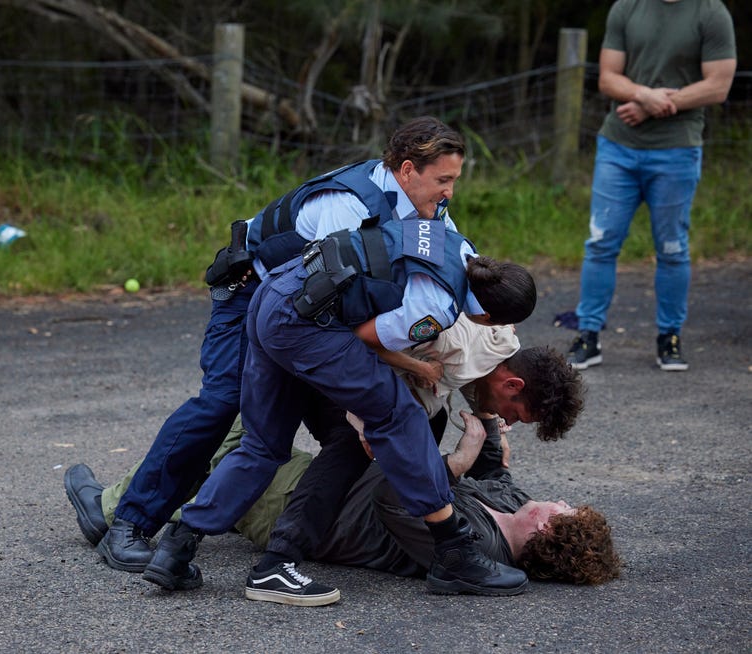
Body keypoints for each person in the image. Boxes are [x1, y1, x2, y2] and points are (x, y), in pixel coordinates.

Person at [68, 117, 469, 576]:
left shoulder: (426, 208)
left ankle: (123, 510)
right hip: (255, 296)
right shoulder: (347, 208)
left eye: (454, 180)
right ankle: (129, 523)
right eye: (443, 180)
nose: (450, 192)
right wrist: (399, 369)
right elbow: (332, 306)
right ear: (405, 170)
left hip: (303, 316)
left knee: (318, 426)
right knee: (225, 401)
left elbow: (449, 258)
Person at [140, 198, 540, 600]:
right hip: (305, 322)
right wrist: (378, 402)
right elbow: (367, 339)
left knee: (263, 445)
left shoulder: (455, 241)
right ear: (490, 316)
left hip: (276, 292)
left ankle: (177, 548)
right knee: (402, 419)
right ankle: (456, 554)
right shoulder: (439, 306)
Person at [65, 373, 612, 594]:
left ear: (545, 528)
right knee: (265, 410)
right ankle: (133, 503)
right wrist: (488, 408)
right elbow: (493, 463)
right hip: (327, 478)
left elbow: (397, 495)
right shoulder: (513, 505)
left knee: (232, 423)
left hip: (298, 513)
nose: (559, 500)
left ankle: (113, 510)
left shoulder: (480, 548)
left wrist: (459, 462)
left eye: (566, 509)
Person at [566, 0, 736, 371]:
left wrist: (654, 104)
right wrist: (644, 95)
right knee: (600, 243)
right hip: (618, 148)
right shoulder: (626, 8)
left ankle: (669, 338)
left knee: (672, 248)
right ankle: (588, 335)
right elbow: (608, 78)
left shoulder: (711, 12)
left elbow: (718, 85)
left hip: (677, 150)